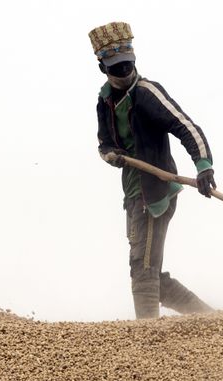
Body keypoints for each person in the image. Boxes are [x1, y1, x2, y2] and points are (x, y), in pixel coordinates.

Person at [89, 21, 216, 319]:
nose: (123, 72)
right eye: (116, 68)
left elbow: (185, 126)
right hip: (133, 193)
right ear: (102, 67)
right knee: (149, 272)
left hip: (155, 194)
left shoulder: (146, 92)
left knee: (143, 270)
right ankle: (210, 319)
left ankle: (146, 340)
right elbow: (104, 144)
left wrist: (204, 166)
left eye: (127, 66)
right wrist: (111, 155)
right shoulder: (105, 100)